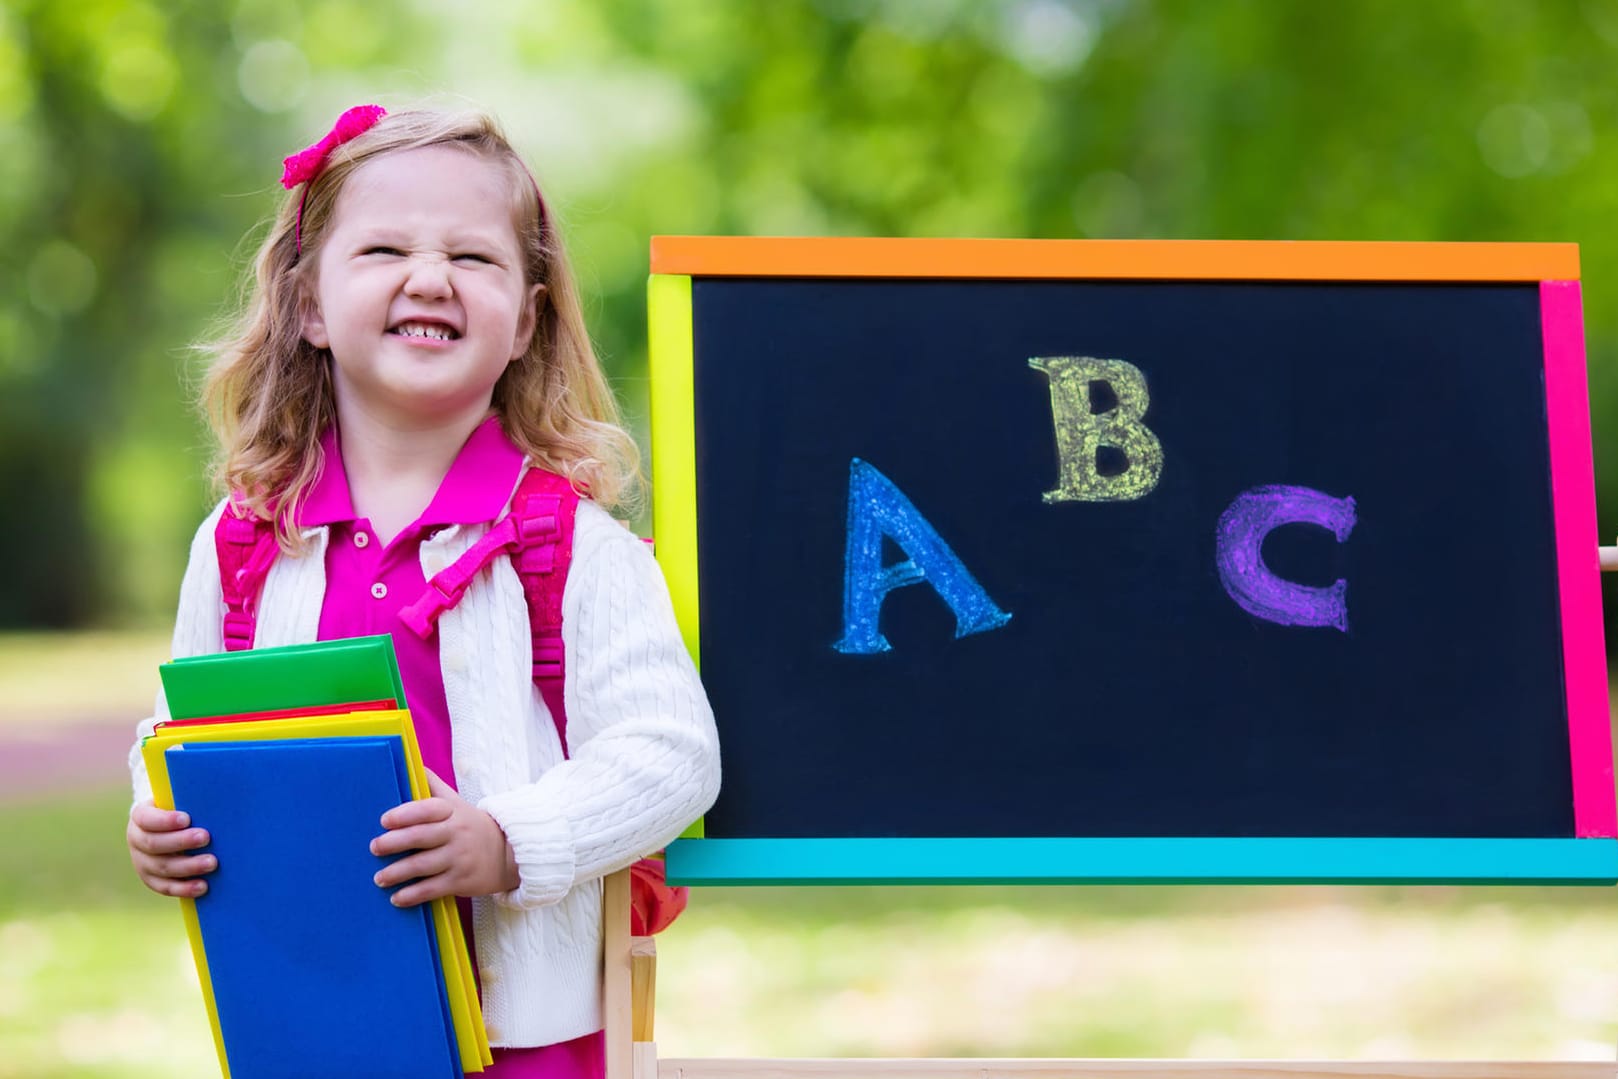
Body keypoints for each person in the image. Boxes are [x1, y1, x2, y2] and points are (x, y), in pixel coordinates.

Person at [123, 104, 721, 1077]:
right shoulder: (243, 542)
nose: (430, 277)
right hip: (310, 1007)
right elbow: (174, 728)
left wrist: (507, 839)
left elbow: (671, 754)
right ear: (307, 303)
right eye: (385, 248)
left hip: (525, 1030)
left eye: (474, 258)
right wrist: (154, 819)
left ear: (526, 318)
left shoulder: (574, 546)